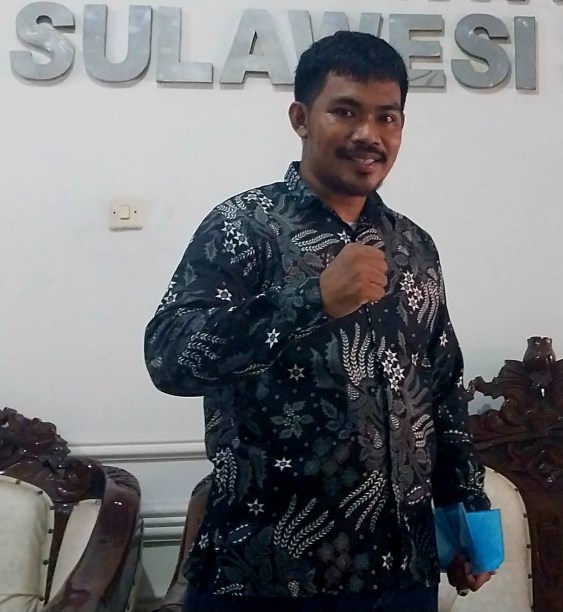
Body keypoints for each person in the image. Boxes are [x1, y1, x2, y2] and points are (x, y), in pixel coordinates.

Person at [144, 31, 493, 612]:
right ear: (301, 118)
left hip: (402, 573)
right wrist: (310, 301)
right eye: (345, 111)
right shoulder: (244, 226)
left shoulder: (413, 245)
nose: (368, 134)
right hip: (267, 576)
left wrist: (466, 513)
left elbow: (442, 387)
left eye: (387, 117)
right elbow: (170, 358)